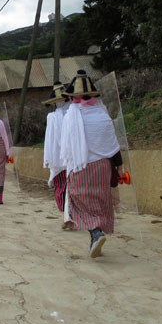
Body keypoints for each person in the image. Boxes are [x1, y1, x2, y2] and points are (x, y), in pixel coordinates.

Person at [60, 70, 123, 258]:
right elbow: (113, 146)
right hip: (102, 167)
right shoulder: (103, 116)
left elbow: (66, 146)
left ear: (73, 97)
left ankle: (95, 234)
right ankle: (95, 237)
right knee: (100, 201)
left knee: (79, 201)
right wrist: (119, 167)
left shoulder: (70, 117)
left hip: (81, 166)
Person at [42, 82, 70, 217]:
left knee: (61, 185)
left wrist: (48, 158)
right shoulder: (74, 112)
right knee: (72, 185)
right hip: (73, 156)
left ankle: (66, 213)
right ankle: (70, 213)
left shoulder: (52, 117)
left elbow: (49, 140)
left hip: (58, 156)